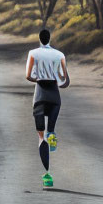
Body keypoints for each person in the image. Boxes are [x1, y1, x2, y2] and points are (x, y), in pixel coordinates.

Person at [25, 28, 69, 187]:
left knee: (40, 137)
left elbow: (28, 75)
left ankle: (47, 175)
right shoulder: (60, 55)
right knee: (51, 129)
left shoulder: (33, 53)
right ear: (50, 38)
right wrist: (55, 79)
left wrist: (40, 77)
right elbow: (65, 80)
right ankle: (52, 134)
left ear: (39, 39)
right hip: (55, 95)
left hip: (40, 95)